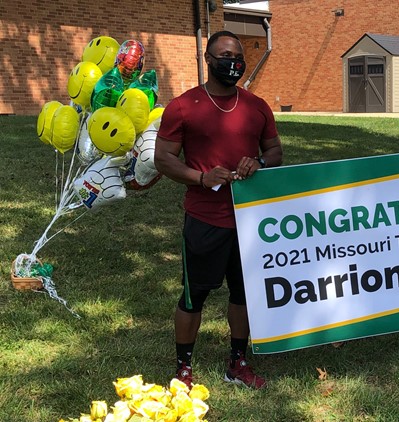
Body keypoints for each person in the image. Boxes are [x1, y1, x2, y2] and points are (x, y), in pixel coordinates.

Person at [155, 30, 283, 389]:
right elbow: (163, 159)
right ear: (208, 60)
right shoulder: (183, 106)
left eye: (238, 55)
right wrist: (200, 177)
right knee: (194, 295)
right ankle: (183, 370)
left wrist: (258, 161)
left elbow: (275, 152)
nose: (233, 62)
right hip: (204, 218)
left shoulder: (257, 106)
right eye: (225, 55)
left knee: (244, 293)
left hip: (250, 220)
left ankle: (237, 363)